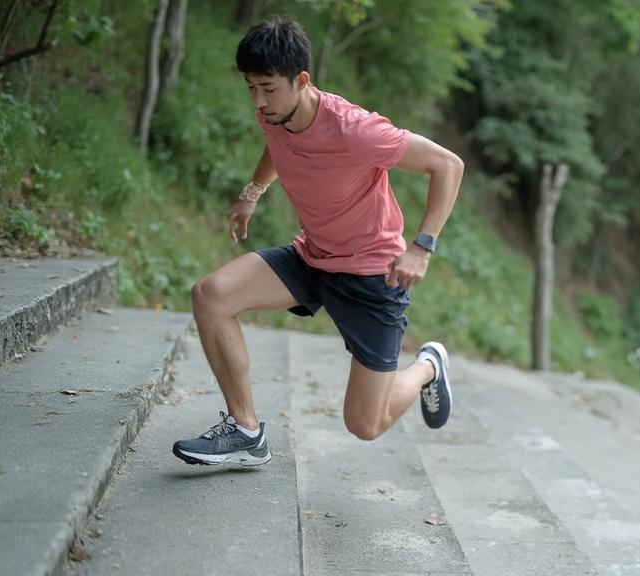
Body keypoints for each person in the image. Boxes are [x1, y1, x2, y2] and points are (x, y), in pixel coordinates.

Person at [172, 18, 463, 466]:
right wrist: (252, 193)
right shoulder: (274, 113)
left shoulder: (356, 130)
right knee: (211, 296)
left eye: (268, 88)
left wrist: (421, 248)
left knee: (366, 424)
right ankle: (246, 431)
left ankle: (428, 366)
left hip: (372, 273)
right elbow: (278, 142)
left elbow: (448, 165)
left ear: (301, 80)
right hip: (313, 256)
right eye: (251, 87)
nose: (259, 101)